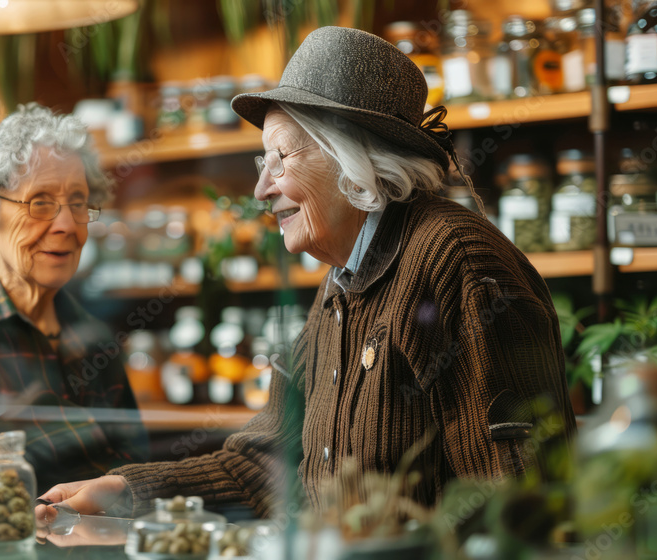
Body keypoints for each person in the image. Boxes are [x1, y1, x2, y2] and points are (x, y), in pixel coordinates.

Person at [35, 26, 576, 522]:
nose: (261, 189)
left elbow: (518, 498)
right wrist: (125, 490)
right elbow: (265, 465)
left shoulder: (456, 261)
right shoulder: (343, 279)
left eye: (280, 159)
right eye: (261, 163)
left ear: (352, 160)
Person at [0, 103, 147, 491]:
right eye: (40, 203)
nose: (67, 225)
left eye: (79, 202)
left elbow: (136, 467)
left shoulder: (93, 333)